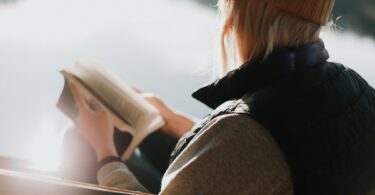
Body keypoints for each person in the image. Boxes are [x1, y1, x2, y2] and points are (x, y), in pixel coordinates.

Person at [68, 0, 375, 194]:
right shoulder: (359, 91)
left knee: (79, 141)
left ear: (240, 17)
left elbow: (251, 150)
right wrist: (175, 121)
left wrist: (105, 152)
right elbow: (289, 150)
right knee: (152, 141)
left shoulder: (244, 134)